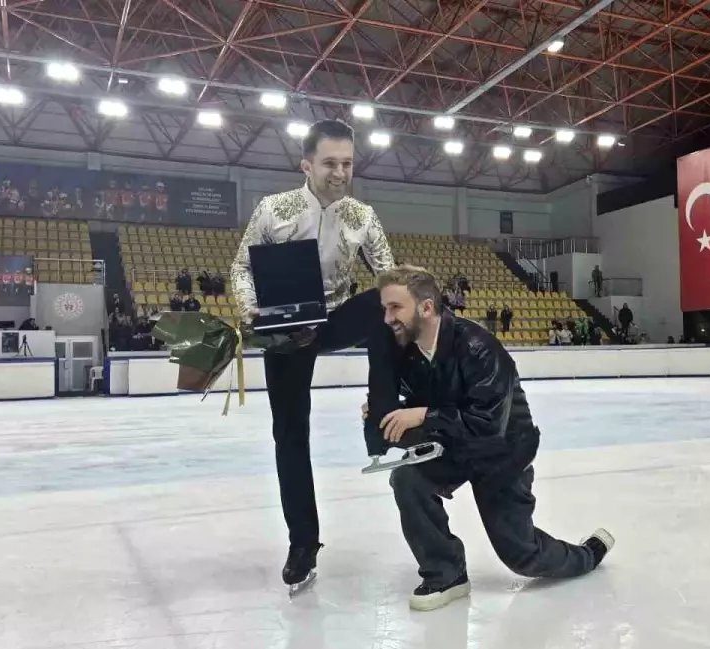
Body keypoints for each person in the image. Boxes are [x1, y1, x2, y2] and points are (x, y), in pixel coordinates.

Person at [366, 266, 613, 611]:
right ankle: (446, 573)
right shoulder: (406, 352)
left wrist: (422, 415)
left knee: (522, 556)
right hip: (455, 446)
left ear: (426, 307)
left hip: (502, 452)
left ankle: (589, 553)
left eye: (395, 307)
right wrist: (391, 412)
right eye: (385, 308)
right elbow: (432, 400)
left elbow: (486, 425)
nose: (387, 318)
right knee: (408, 478)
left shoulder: (478, 347)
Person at [230, 119, 400, 592]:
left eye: (347, 163)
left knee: (386, 300)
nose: (340, 173)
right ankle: (303, 543)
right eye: (329, 163)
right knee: (290, 433)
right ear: (306, 164)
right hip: (287, 328)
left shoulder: (362, 215)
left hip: (335, 316)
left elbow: (391, 276)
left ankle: (383, 412)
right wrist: (253, 313)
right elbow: (241, 267)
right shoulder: (274, 209)